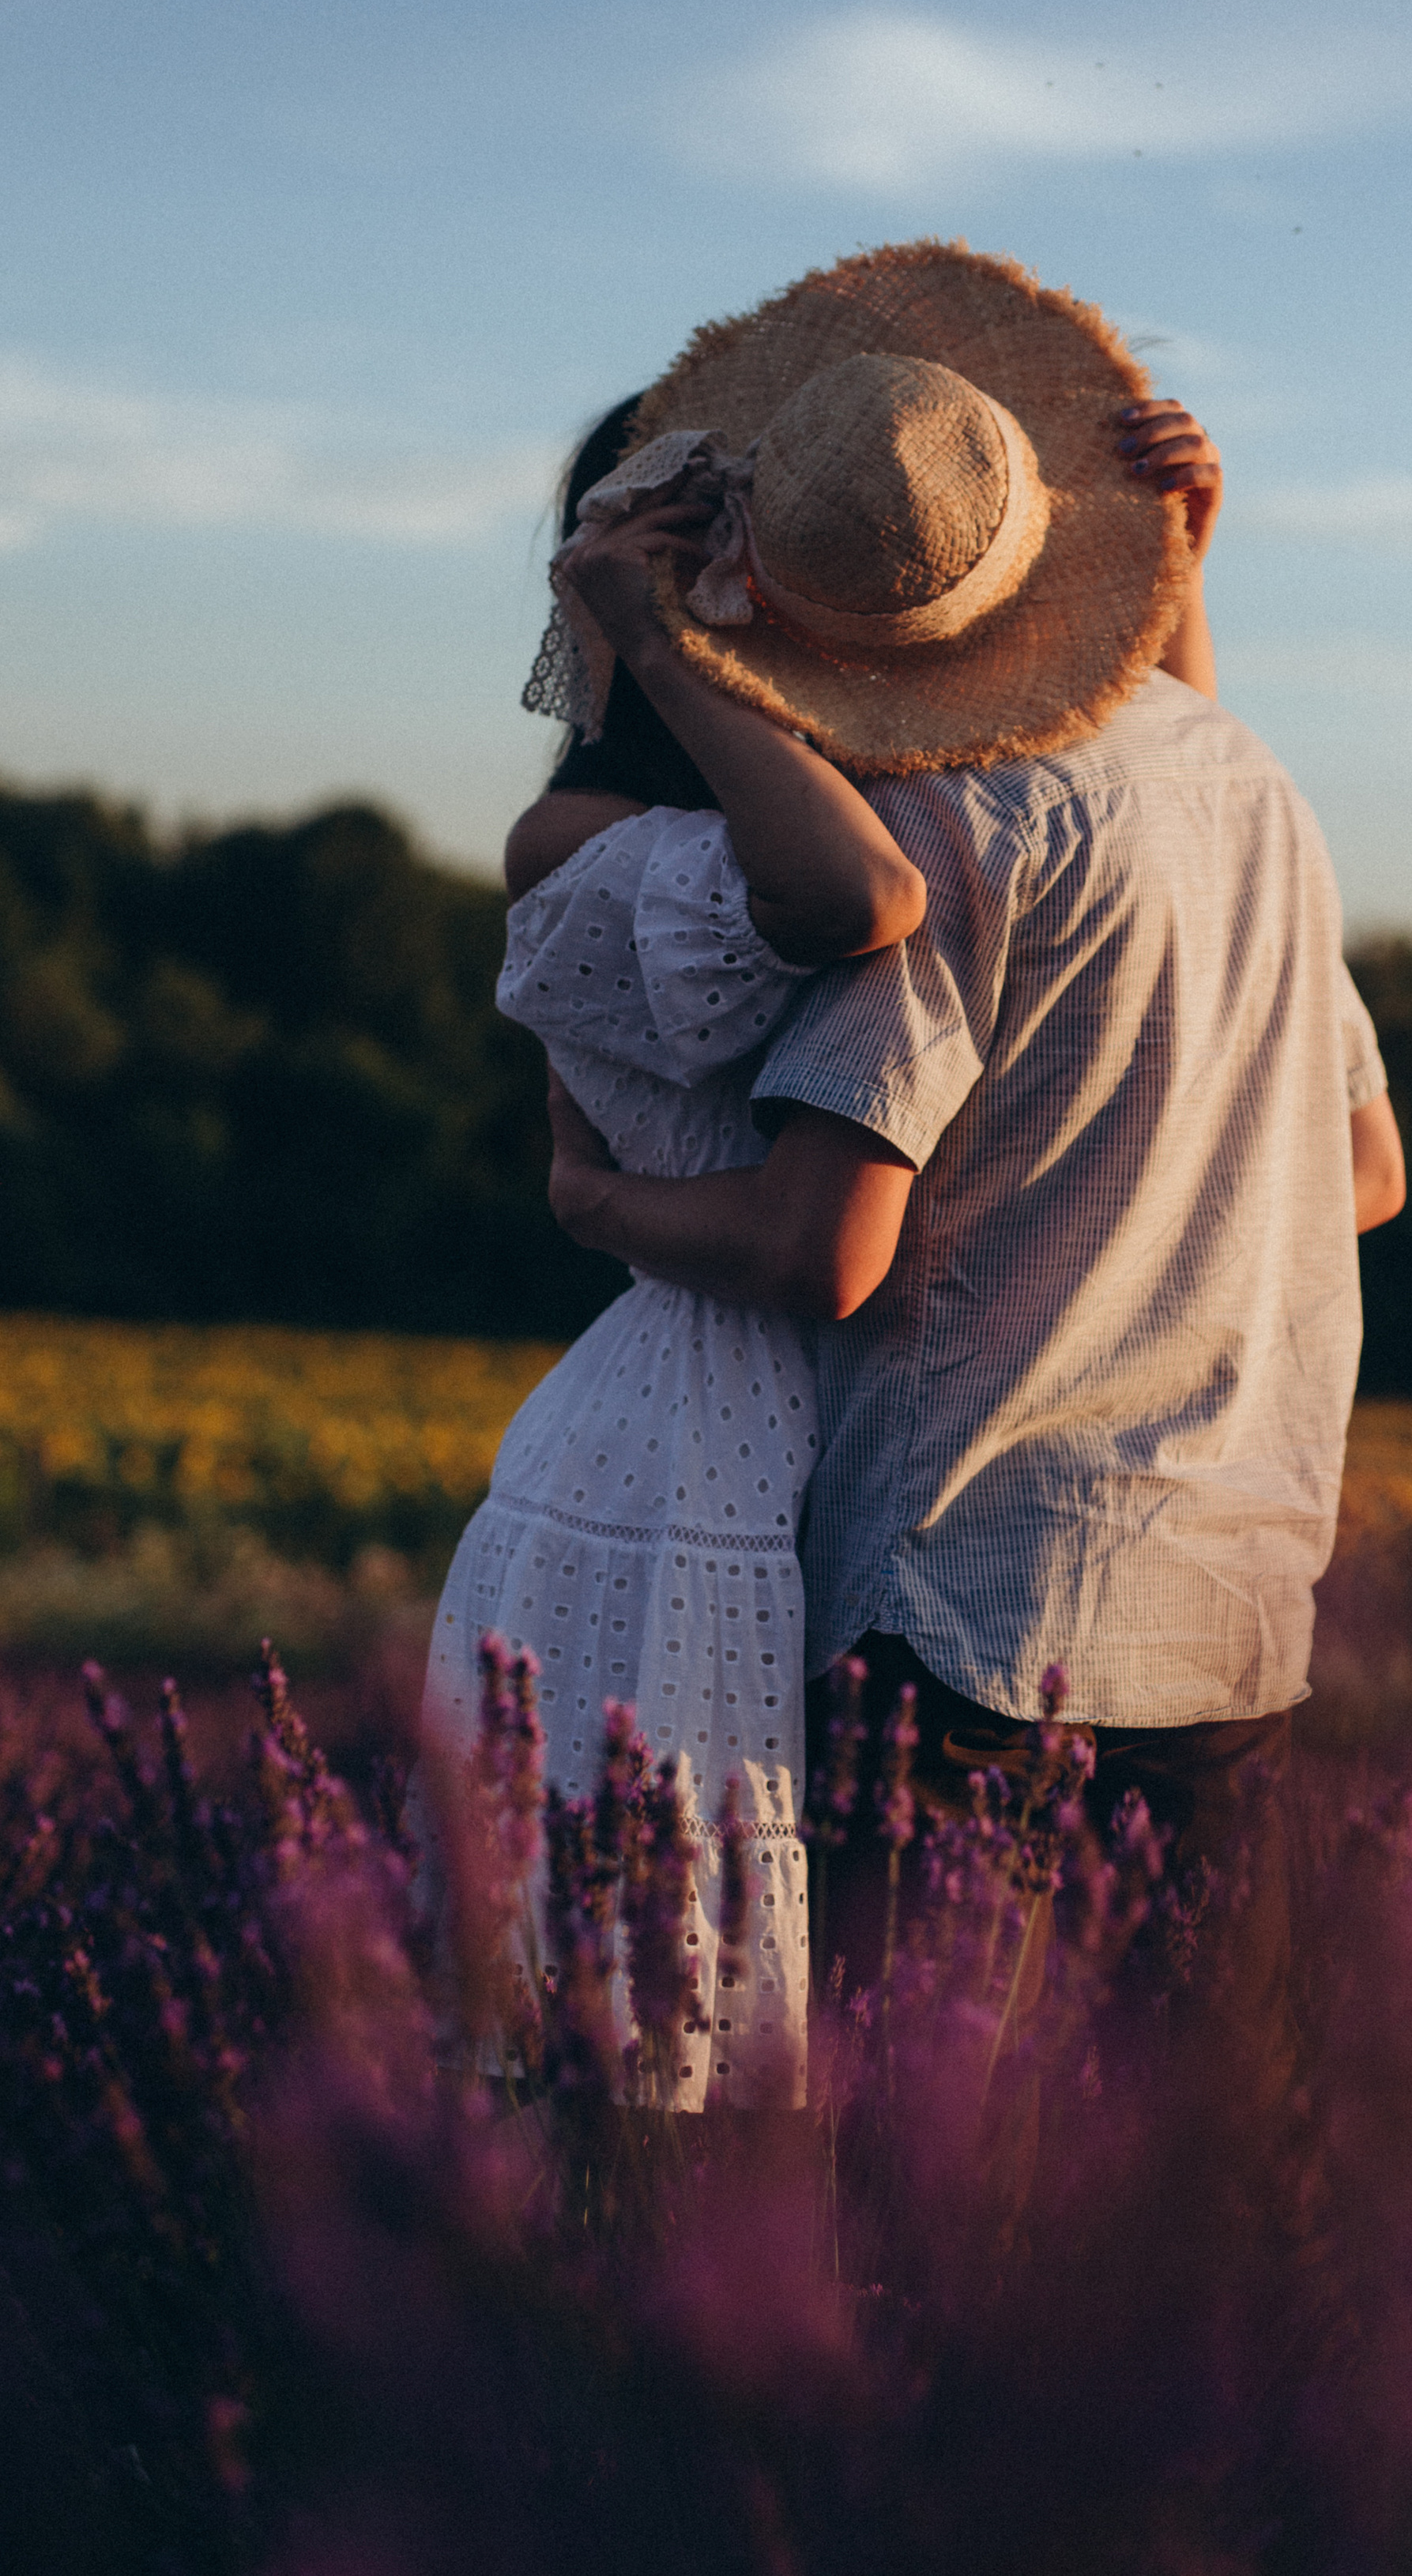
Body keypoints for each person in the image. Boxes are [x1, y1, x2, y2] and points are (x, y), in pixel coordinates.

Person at [540, 239, 1404, 2130]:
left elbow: (816, 1247)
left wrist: (591, 1206)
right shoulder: (1252, 783)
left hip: (968, 1612)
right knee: (1190, 2215)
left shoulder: (947, 816)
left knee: (916, 2211)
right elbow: (1358, 1172)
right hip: (1230, 1601)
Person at [420, 370, 928, 2111]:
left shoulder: (836, 802)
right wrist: (646, 632)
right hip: (685, 1444)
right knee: (652, 2033)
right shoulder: (583, 836)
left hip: (800, 1428)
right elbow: (854, 900)